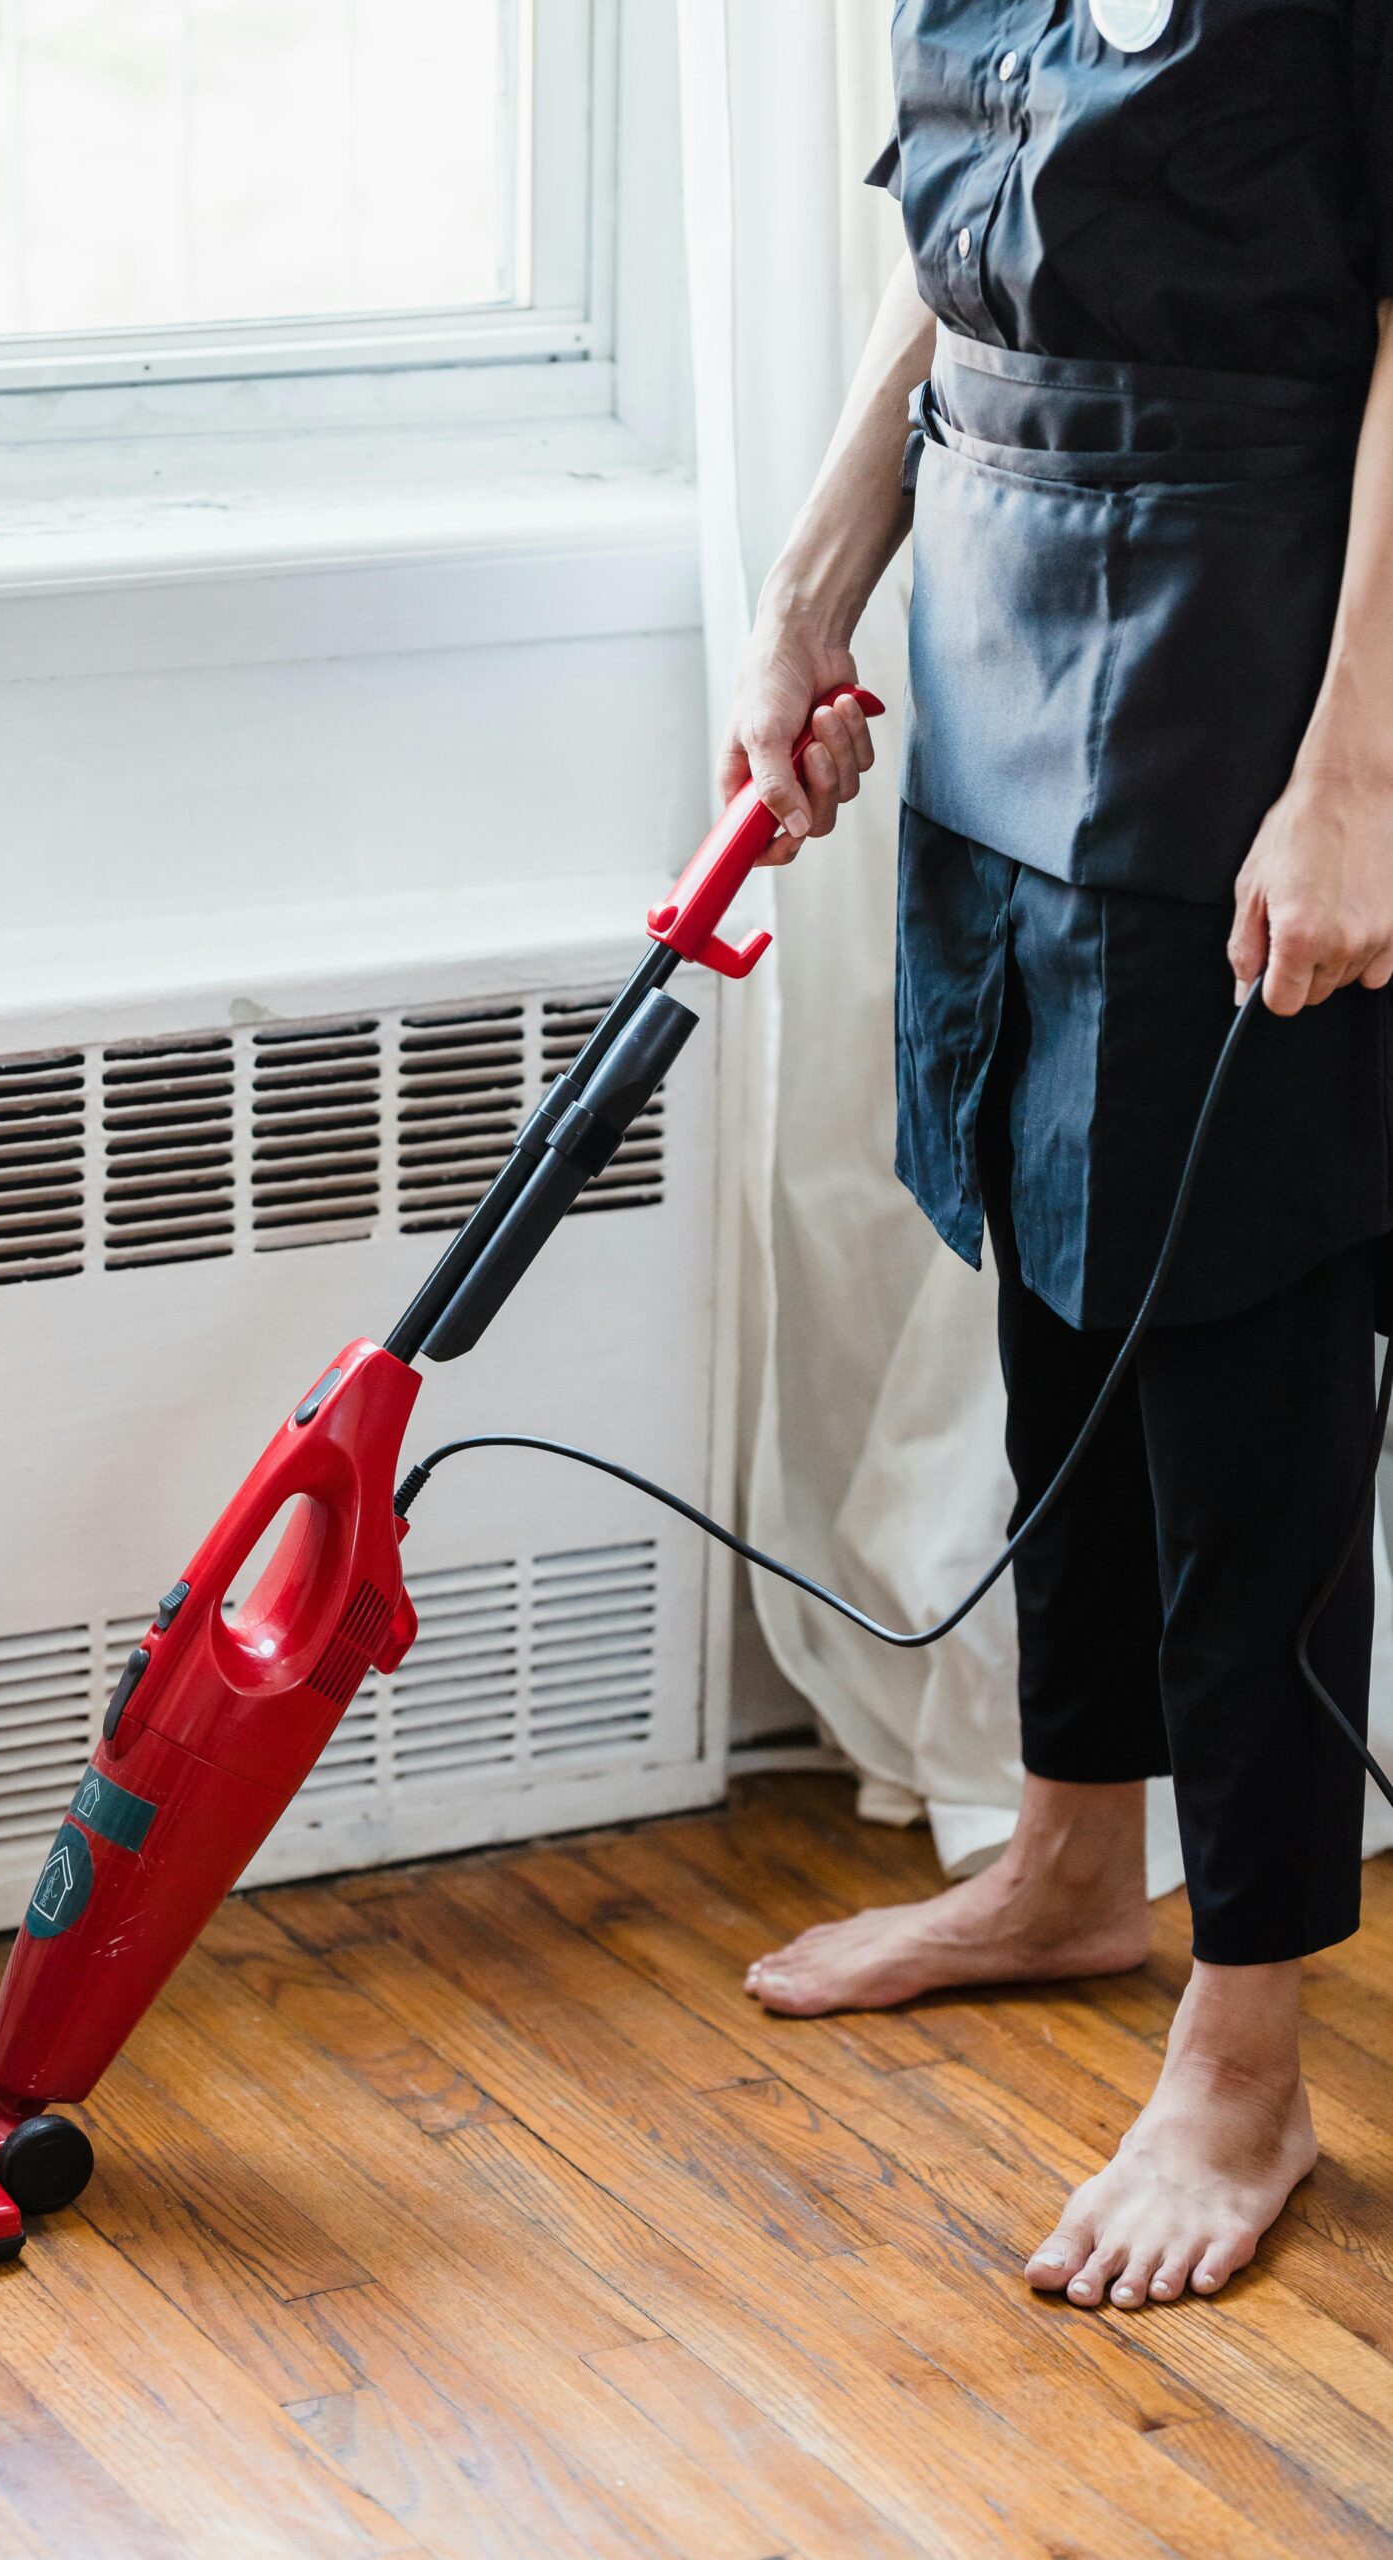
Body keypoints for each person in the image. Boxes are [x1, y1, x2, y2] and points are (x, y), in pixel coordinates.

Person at [725, 1, 1393, 2311]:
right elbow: (945, 248)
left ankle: (1247, 2041)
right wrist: (813, 577)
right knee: (1047, 1258)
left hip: (1258, 632)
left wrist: (1360, 775)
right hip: (998, 599)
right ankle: (1068, 1858)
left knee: (1239, 1344)